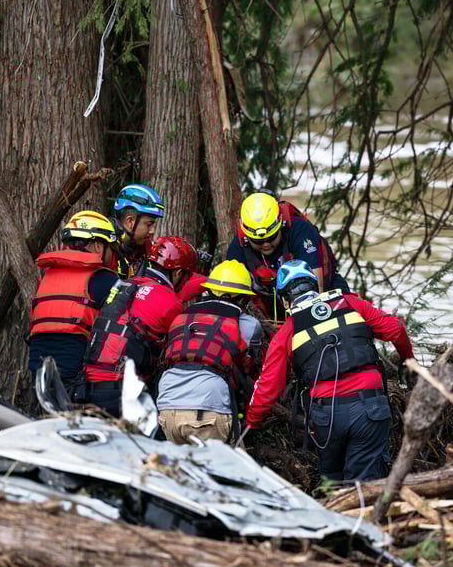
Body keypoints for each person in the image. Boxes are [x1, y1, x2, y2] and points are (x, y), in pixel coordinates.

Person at [244, 260, 414, 481]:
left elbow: (268, 388)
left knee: (331, 480)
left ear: (285, 299)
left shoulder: (287, 332)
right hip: (370, 408)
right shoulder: (352, 304)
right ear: (316, 286)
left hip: (327, 417)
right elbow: (397, 330)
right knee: (365, 483)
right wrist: (407, 359)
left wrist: (251, 424)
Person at [156, 260, 262, 445]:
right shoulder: (248, 324)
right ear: (244, 298)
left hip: (167, 406)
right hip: (207, 409)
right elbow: (250, 366)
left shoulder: (182, 317)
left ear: (210, 290)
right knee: (231, 470)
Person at [82, 236, 191, 415]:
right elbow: (180, 352)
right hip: (124, 392)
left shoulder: (125, 284)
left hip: (86, 384)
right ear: (179, 273)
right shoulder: (170, 301)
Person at [27, 211, 121, 390]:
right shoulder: (105, 279)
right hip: (74, 371)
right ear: (99, 246)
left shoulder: (48, 276)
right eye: (110, 248)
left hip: (37, 369)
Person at [226, 192, 349, 321]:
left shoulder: (301, 231)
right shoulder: (238, 247)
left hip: (323, 293)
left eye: (272, 237)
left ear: (280, 225)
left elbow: (317, 287)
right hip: (272, 305)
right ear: (247, 237)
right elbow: (231, 293)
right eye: (258, 241)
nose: (266, 244)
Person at [111, 183, 165, 278]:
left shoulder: (145, 250)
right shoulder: (106, 249)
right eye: (149, 224)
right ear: (130, 222)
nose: (152, 231)